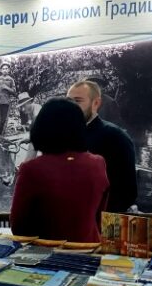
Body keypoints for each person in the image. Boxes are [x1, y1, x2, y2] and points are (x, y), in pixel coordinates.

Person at [10, 98, 109, 241]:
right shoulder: (98, 163)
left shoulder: (31, 169)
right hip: (90, 253)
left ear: (41, 129)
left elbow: (18, 228)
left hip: (47, 256)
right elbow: (100, 214)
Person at [67, 80, 137, 213]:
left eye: (77, 101)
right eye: (68, 102)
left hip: (103, 219)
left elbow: (127, 193)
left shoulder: (116, 137)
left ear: (96, 103)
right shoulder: (69, 134)